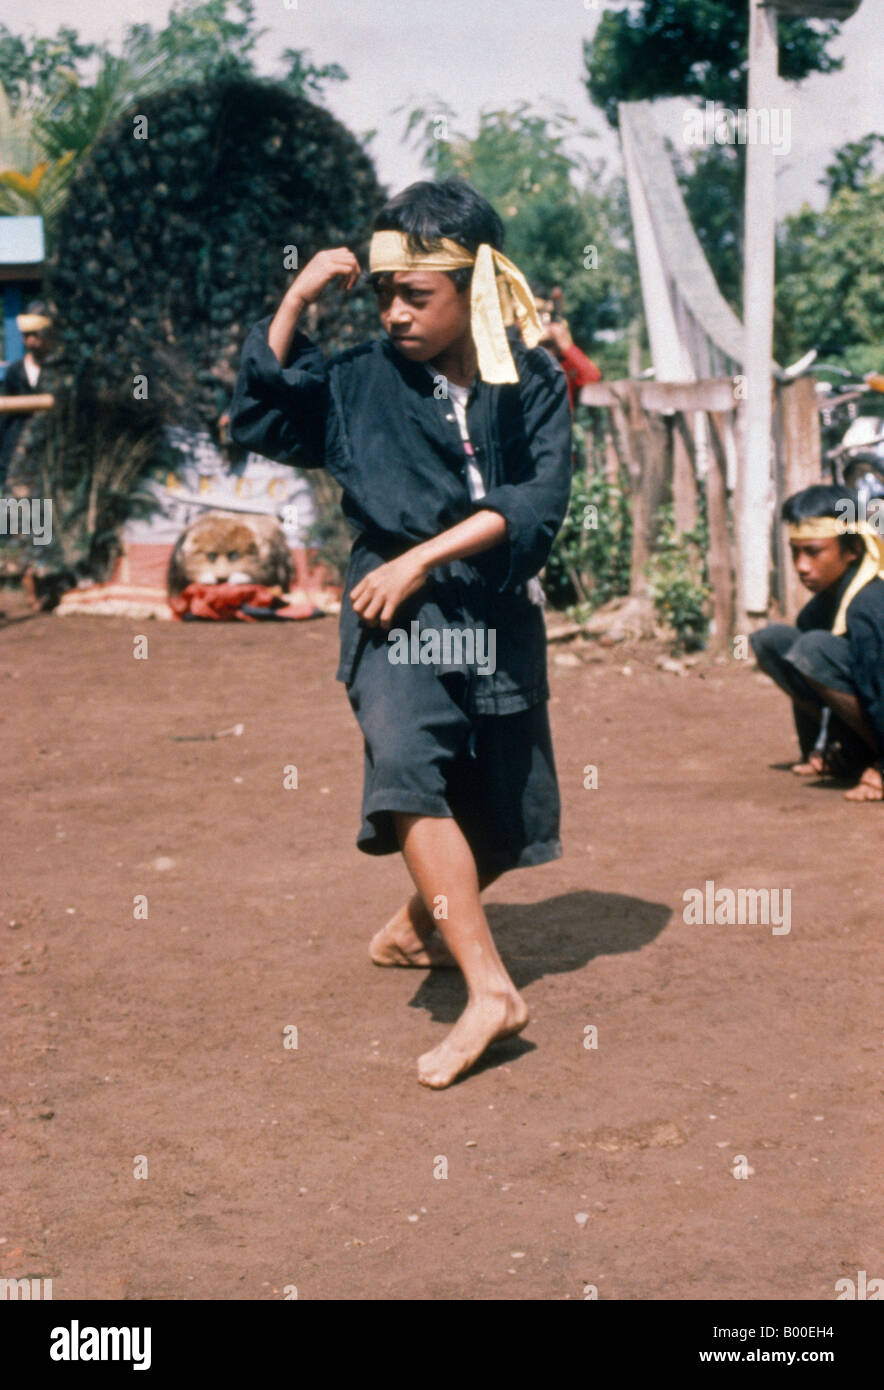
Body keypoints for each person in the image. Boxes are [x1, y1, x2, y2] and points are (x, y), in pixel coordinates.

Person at [229, 177, 573, 1087]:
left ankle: (420, 923)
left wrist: (433, 556)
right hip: (395, 607)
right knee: (407, 762)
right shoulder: (358, 380)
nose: (391, 312)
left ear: (475, 286)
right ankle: (492, 992)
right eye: (383, 292)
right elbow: (259, 413)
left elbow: (537, 503)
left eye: (414, 294)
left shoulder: (529, 379)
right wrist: (299, 295)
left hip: (490, 608)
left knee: (510, 822)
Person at [750, 484, 884, 803]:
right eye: (795, 551)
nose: (800, 566)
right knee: (772, 641)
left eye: (813, 551)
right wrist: (819, 746)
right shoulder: (818, 609)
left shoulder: (870, 606)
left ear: (852, 550)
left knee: (813, 648)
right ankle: (835, 752)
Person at [0, 302, 53, 488]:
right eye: (26, 335)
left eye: (35, 334)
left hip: (50, 448)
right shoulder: (15, 370)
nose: (30, 340)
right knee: (18, 512)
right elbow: (5, 416)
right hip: (16, 448)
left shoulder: (58, 370)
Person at [532, 282, 601, 412]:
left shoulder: (561, 360)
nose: (544, 321)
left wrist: (565, 344)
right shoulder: (518, 356)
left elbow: (592, 377)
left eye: (545, 314)